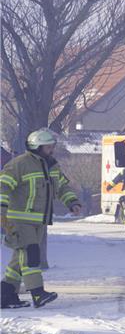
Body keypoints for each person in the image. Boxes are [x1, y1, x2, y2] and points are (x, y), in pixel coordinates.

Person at [0, 129, 81, 308]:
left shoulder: (52, 165)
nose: (51, 149)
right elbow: (3, 187)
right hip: (19, 220)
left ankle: (6, 295)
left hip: (39, 221)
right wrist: (2, 212)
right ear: (37, 147)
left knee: (19, 259)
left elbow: (62, 187)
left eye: (52, 146)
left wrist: (72, 202)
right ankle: (37, 293)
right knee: (31, 254)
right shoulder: (19, 164)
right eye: (48, 146)